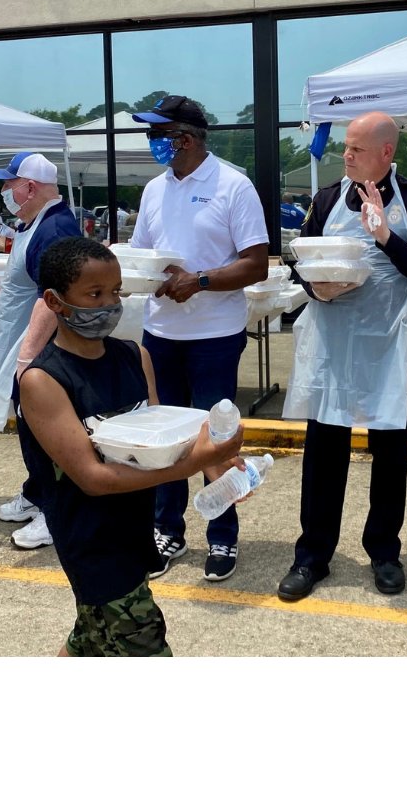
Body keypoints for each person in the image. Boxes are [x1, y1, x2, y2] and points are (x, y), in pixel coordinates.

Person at [17, 238, 244, 656]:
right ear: (55, 301)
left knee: (91, 634)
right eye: (95, 294)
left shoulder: (133, 356)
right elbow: (93, 479)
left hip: (134, 525)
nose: (110, 304)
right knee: (142, 640)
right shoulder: (43, 382)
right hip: (90, 538)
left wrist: (218, 465)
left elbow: (164, 436)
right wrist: (192, 464)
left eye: (117, 291)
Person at [278, 111, 407, 600]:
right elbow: (299, 258)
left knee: (389, 452)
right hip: (333, 339)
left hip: (390, 342)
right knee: (323, 451)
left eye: (355, 149)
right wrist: (317, 287)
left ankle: (385, 552)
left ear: (386, 153)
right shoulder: (328, 198)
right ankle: (312, 556)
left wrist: (385, 238)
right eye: (346, 148)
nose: (345, 155)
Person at [130, 95, 269, 581]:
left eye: (157, 136)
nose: (152, 145)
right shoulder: (153, 190)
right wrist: (150, 274)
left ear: (184, 139)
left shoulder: (233, 185)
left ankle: (223, 536)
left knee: (216, 439)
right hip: (161, 331)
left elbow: (255, 263)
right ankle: (166, 530)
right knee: (162, 439)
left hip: (214, 334)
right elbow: (143, 256)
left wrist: (201, 280)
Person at [0, 152, 82, 551]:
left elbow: (50, 298)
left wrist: (27, 358)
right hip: (23, 339)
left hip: (41, 349)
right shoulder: (35, 223)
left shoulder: (53, 229)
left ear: (30, 187)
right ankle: (37, 493)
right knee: (30, 430)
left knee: (42, 433)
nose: (4, 191)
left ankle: (55, 514)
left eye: (8, 183)